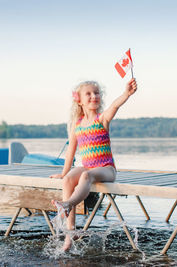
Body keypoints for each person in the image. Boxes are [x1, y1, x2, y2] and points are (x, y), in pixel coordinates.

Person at [50, 78, 138, 251]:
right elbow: (70, 152)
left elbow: (114, 106)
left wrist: (126, 94)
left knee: (86, 175)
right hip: (88, 167)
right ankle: (71, 233)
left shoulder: (102, 119)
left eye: (96, 93)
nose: (93, 96)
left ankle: (68, 204)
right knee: (68, 180)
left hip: (106, 169)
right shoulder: (77, 125)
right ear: (79, 100)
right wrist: (63, 173)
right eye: (88, 94)